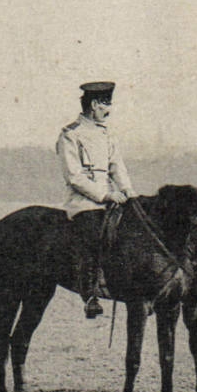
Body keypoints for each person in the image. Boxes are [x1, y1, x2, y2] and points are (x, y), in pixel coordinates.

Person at [58, 81, 135, 318]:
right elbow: (74, 177)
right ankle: (90, 293)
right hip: (84, 203)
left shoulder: (107, 134)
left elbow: (116, 166)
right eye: (105, 105)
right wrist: (104, 195)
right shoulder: (70, 134)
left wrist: (129, 192)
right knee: (93, 235)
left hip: (111, 198)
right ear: (94, 104)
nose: (108, 111)